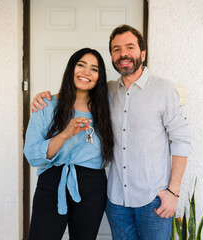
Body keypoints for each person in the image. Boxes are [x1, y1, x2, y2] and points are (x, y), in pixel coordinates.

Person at [31, 25, 192, 240]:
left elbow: (181, 139)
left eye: (129, 47)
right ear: (112, 57)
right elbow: (77, 88)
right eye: (116, 49)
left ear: (142, 53)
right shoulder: (107, 92)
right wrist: (45, 97)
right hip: (117, 202)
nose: (123, 53)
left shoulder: (163, 89)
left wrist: (173, 192)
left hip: (153, 199)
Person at [24, 48, 114, 240]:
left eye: (94, 69)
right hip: (52, 183)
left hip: (93, 187)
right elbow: (32, 155)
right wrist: (65, 134)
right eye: (81, 65)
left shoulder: (107, 108)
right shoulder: (46, 105)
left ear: (99, 77)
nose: (86, 72)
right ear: (71, 68)